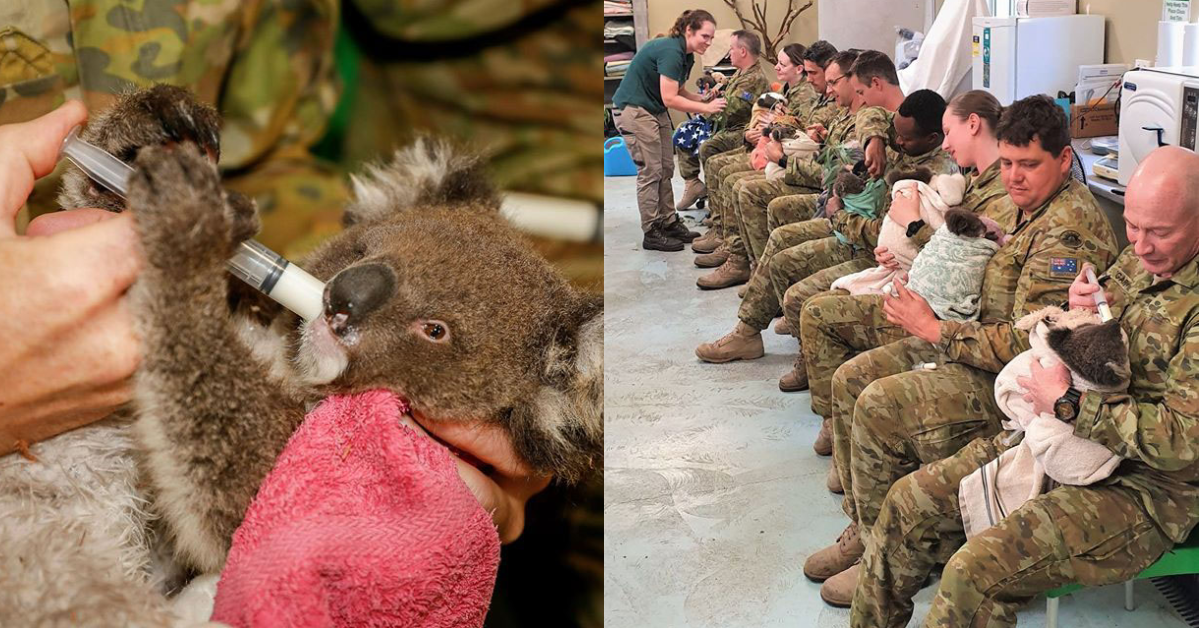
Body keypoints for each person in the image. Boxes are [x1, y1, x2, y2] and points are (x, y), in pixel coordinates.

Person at [853, 144, 1199, 627]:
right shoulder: (1142, 259)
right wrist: (1087, 299)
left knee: (973, 577)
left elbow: (1184, 441)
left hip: (1146, 488)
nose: (1140, 246)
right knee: (909, 503)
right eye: (1134, 227)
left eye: (1159, 233)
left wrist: (1071, 403)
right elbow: (1097, 311)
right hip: (1064, 431)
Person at [799, 95, 1120, 607]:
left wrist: (935, 330)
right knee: (853, 378)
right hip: (970, 342)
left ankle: (897, 555)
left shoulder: (1067, 229)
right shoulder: (1028, 205)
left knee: (880, 404)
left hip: (1007, 378)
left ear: (1063, 160)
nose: (1014, 177)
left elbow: (1031, 342)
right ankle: (869, 530)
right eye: (1008, 163)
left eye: (1029, 165)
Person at [791, 90, 1013, 415]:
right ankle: (835, 418)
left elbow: (967, 263)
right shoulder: (973, 179)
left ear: (975, 125)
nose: (946, 144)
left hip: (948, 314)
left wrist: (911, 225)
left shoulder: (999, 192)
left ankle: (837, 420)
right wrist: (897, 248)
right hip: (918, 282)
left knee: (817, 314)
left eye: (949, 133)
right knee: (812, 305)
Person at [693, 49, 863, 289]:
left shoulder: (852, 115)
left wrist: (784, 158)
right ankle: (741, 256)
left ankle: (754, 269)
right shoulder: (825, 101)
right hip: (796, 163)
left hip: (815, 183)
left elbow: (832, 171)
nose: (817, 81)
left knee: (743, 186)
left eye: (816, 73)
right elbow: (819, 146)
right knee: (723, 169)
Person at [612, 9, 726, 252]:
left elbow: (680, 91)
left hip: (654, 108)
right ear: (689, 31)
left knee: (666, 166)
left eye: (711, 38)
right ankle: (651, 230)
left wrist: (702, 99)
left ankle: (668, 221)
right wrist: (706, 110)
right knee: (651, 171)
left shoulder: (687, 55)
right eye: (705, 36)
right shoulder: (670, 50)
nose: (709, 42)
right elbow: (670, 98)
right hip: (635, 109)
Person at [692, 41, 822, 255]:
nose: (777, 67)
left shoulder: (805, 94)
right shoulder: (787, 90)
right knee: (715, 160)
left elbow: (800, 133)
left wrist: (766, 132)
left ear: (799, 69)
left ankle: (737, 250)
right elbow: (762, 118)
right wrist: (751, 133)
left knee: (728, 174)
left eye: (782, 64)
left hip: (786, 157)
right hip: (767, 146)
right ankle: (724, 234)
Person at [675, 30, 769, 213]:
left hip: (741, 130)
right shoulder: (742, 73)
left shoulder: (754, 78)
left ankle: (718, 207)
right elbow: (728, 100)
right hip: (728, 124)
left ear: (743, 51)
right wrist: (714, 96)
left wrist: (703, 110)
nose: (728, 53)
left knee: (708, 146)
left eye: (731, 49)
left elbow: (731, 110)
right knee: (684, 129)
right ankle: (692, 183)